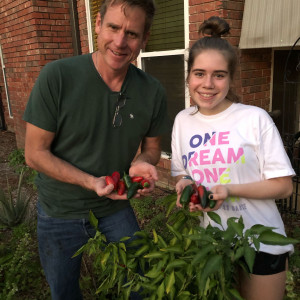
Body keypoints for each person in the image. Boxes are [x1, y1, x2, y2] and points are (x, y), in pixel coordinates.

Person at [23, 0, 169, 299]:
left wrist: (142, 163)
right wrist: (90, 182)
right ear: (98, 24)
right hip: (59, 210)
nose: (120, 41)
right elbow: (35, 153)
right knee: (64, 293)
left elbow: (152, 148)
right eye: (113, 27)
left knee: (141, 287)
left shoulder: (152, 90)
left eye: (131, 33)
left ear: (144, 39)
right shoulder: (58, 77)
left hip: (114, 208)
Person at [171, 16, 295, 300]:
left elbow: (284, 185)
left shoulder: (254, 118)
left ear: (230, 77)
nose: (208, 84)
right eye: (199, 73)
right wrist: (185, 185)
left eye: (219, 75)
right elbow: (182, 172)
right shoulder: (183, 120)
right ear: (188, 76)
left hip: (261, 241)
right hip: (212, 243)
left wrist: (229, 190)